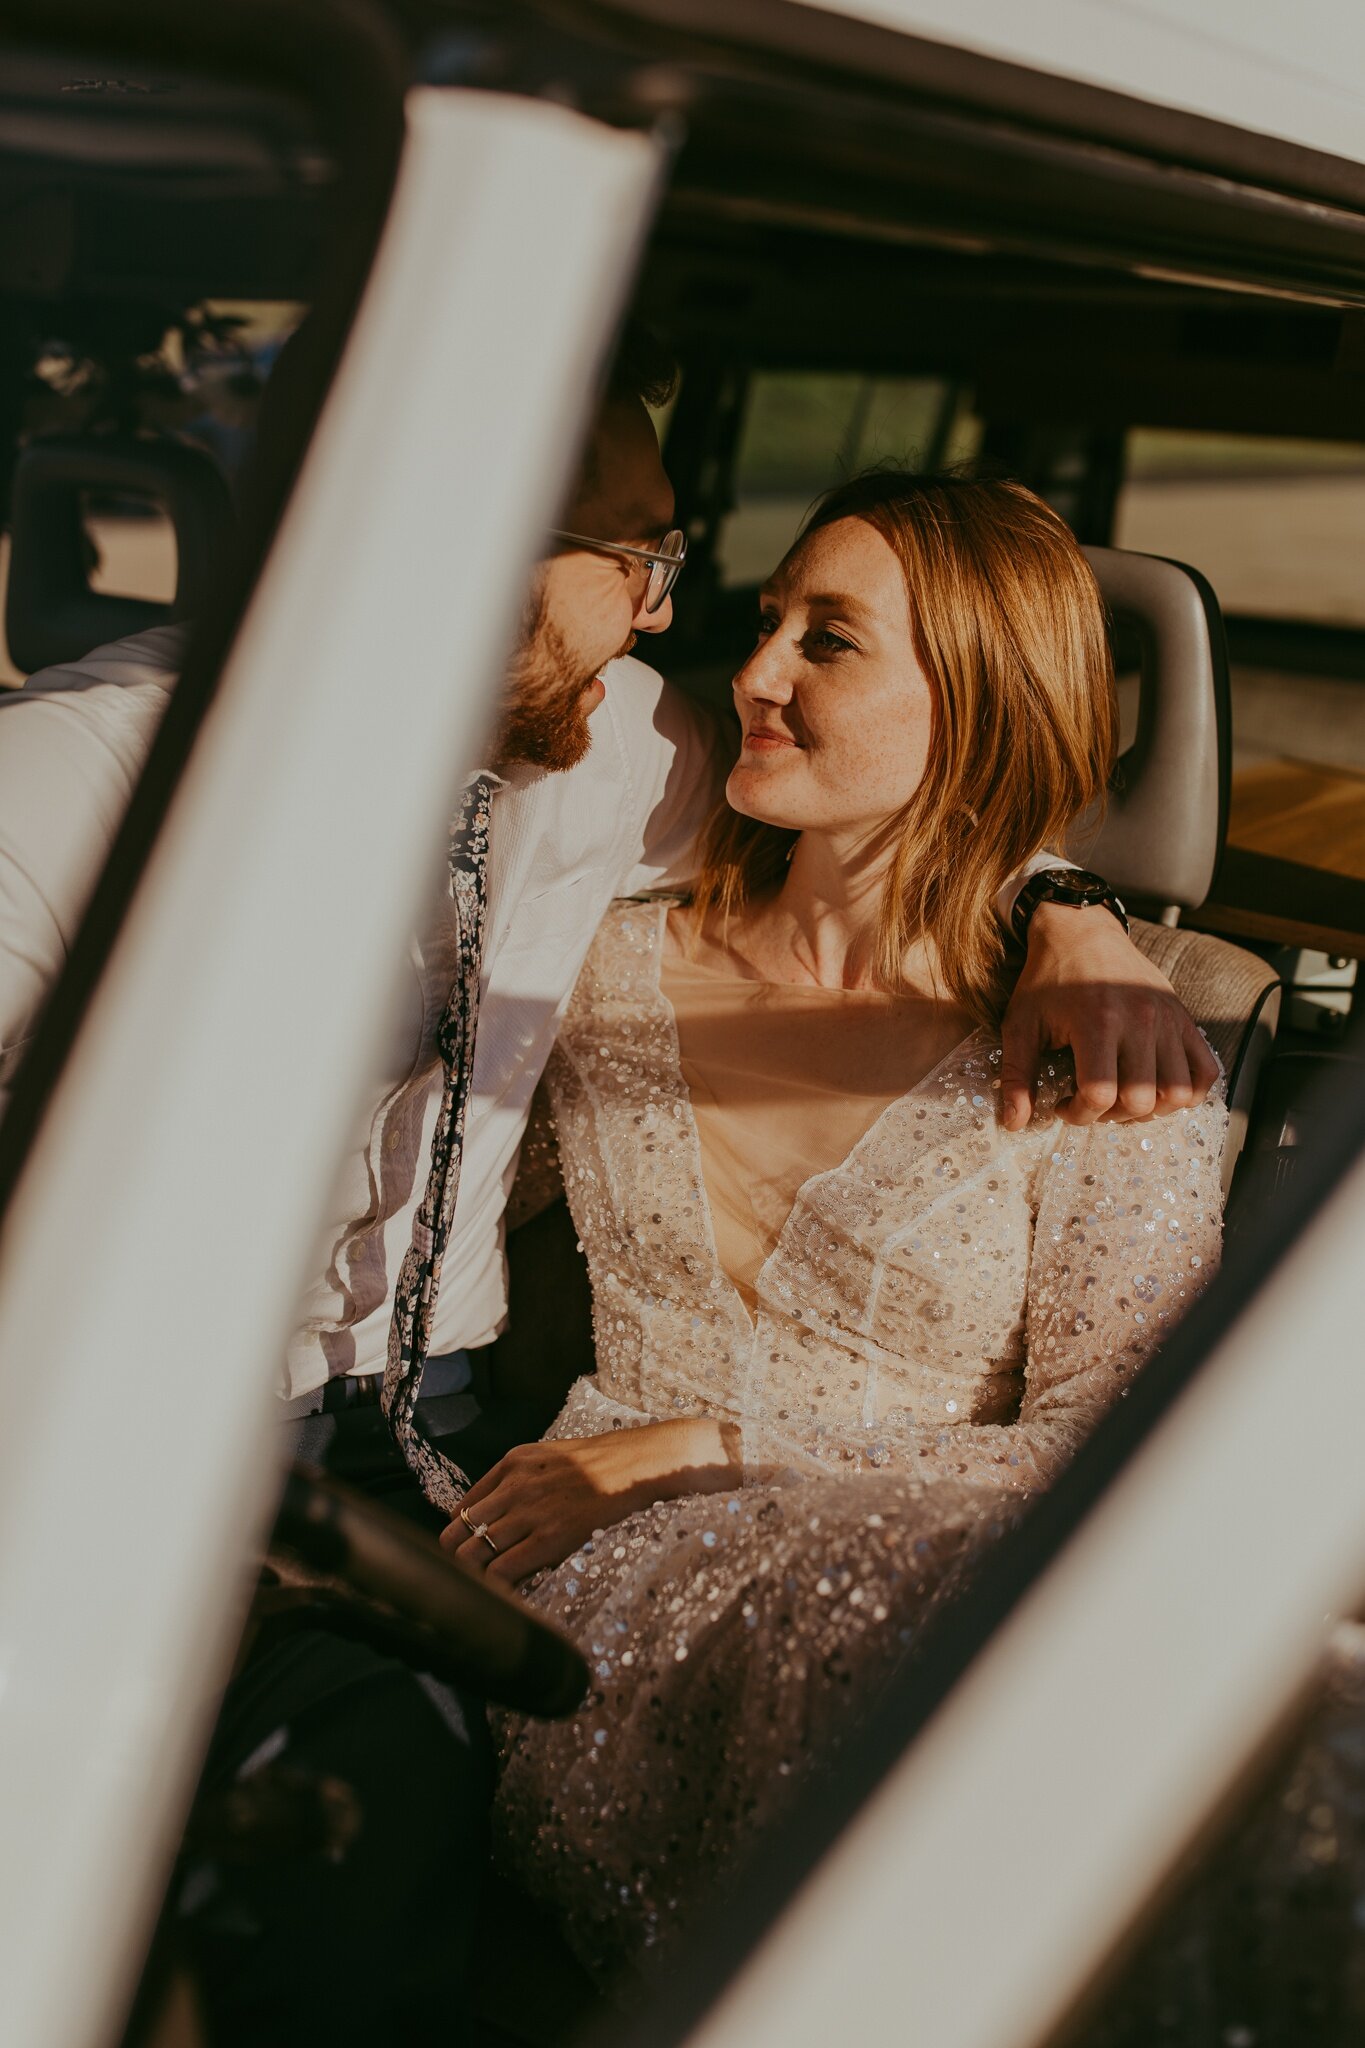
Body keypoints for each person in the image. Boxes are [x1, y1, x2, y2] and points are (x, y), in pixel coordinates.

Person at [0, 333, 1215, 2041]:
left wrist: (1076, 900)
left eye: (807, 626)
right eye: (656, 566)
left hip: (590, 1472)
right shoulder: (97, 789)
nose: (701, 641)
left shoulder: (651, 768)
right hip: (350, 1471)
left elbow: (938, 797)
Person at [440, 470, 1228, 1987]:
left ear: (983, 707)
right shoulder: (594, 967)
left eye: (830, 643)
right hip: (602, 1583)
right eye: (767, 622)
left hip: (927, 1592)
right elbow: (416, 1195)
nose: (751, 675)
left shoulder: (1112, 1044)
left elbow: (1128, 1450)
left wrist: (696, 1448)